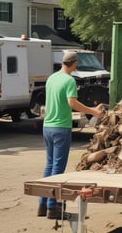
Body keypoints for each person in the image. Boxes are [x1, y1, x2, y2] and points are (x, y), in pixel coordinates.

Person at [37, 51, 106, 220]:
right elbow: (72, 103)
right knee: (58, 169)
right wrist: (94, 112)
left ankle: (43, 204)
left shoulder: (52, 78)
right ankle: (53, 208)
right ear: (74, 64)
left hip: (47, 126)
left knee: (49, 165)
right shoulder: (69, 81)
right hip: (61, 128)